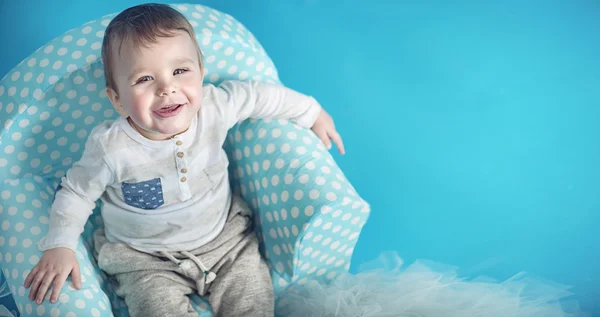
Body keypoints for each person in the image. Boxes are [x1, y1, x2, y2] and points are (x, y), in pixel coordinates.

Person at [23, 3, 344, 317]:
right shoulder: (111, 148)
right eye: (144, 79)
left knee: (252, 299)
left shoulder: (215, 106)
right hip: (144, 258)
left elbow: (261, 96)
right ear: (118, 99)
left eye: (180, 71)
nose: (167, 87)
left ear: (200, 72)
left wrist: (311, 112)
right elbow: (77, 193)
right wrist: (60, 245)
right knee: (155, 306)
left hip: (226, 240)